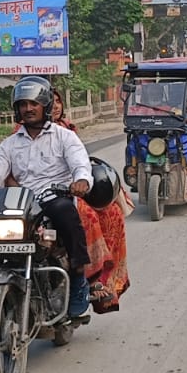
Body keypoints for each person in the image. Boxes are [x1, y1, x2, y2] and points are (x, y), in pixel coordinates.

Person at [0, 77, 95, 317]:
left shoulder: (64, 137)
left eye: (34, 103)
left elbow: (80, 165)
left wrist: (82, 181)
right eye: (23, 104)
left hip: (53, 197)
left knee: (65, 211)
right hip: (22, 202)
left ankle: (78, 278)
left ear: (45, 106)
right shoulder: (9, 144)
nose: (28, 108)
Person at [47, 91, 132, 314]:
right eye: (50, 102)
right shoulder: (21, 135)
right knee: (87, 216)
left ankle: (104, 281)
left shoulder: (67, 130)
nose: (55, 106)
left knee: (113, 212)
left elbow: (80, 162)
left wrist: (82, 180)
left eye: (58, 101)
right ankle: (89, 275)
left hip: (70, 189)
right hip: (41, 194)